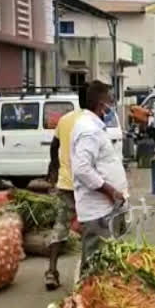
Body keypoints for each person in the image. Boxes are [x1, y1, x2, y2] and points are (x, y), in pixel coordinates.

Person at [70, 81, 128, 270]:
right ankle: (85, 297)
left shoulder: (92, 126)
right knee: (96, 265)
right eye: (110, 101)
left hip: (106, 208)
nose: (111, 105)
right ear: (101, 104)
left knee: (107, 264)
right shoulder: (89, 130)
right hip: (98, 210)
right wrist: (109, 190)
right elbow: (82, 169)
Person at [45, 89, 86, 290]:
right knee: (93, 228)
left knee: (60, 227)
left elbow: (54, 145)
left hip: (66, 183)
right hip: (86, 186)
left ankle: (51, 271)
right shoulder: (91, 121)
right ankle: (88, 273)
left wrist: (54, 167)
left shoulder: (65, 120)